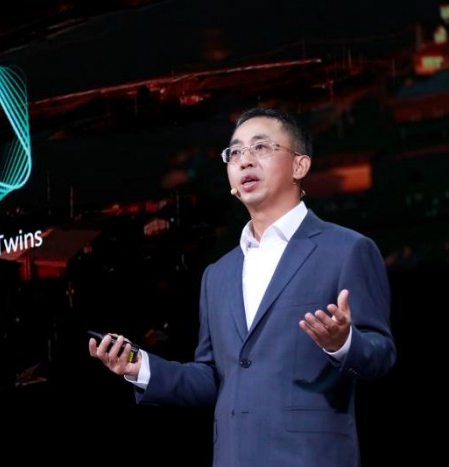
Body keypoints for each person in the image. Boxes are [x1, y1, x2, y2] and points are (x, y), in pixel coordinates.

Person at [89, 107, 396, 466]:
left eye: (261, 147)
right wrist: (140, 366)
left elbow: (381, 357)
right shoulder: (218, 274)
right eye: (235, 153)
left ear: (299, 166)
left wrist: (343, 343)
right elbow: (214, 378)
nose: (245, 160)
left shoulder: (346, 250)